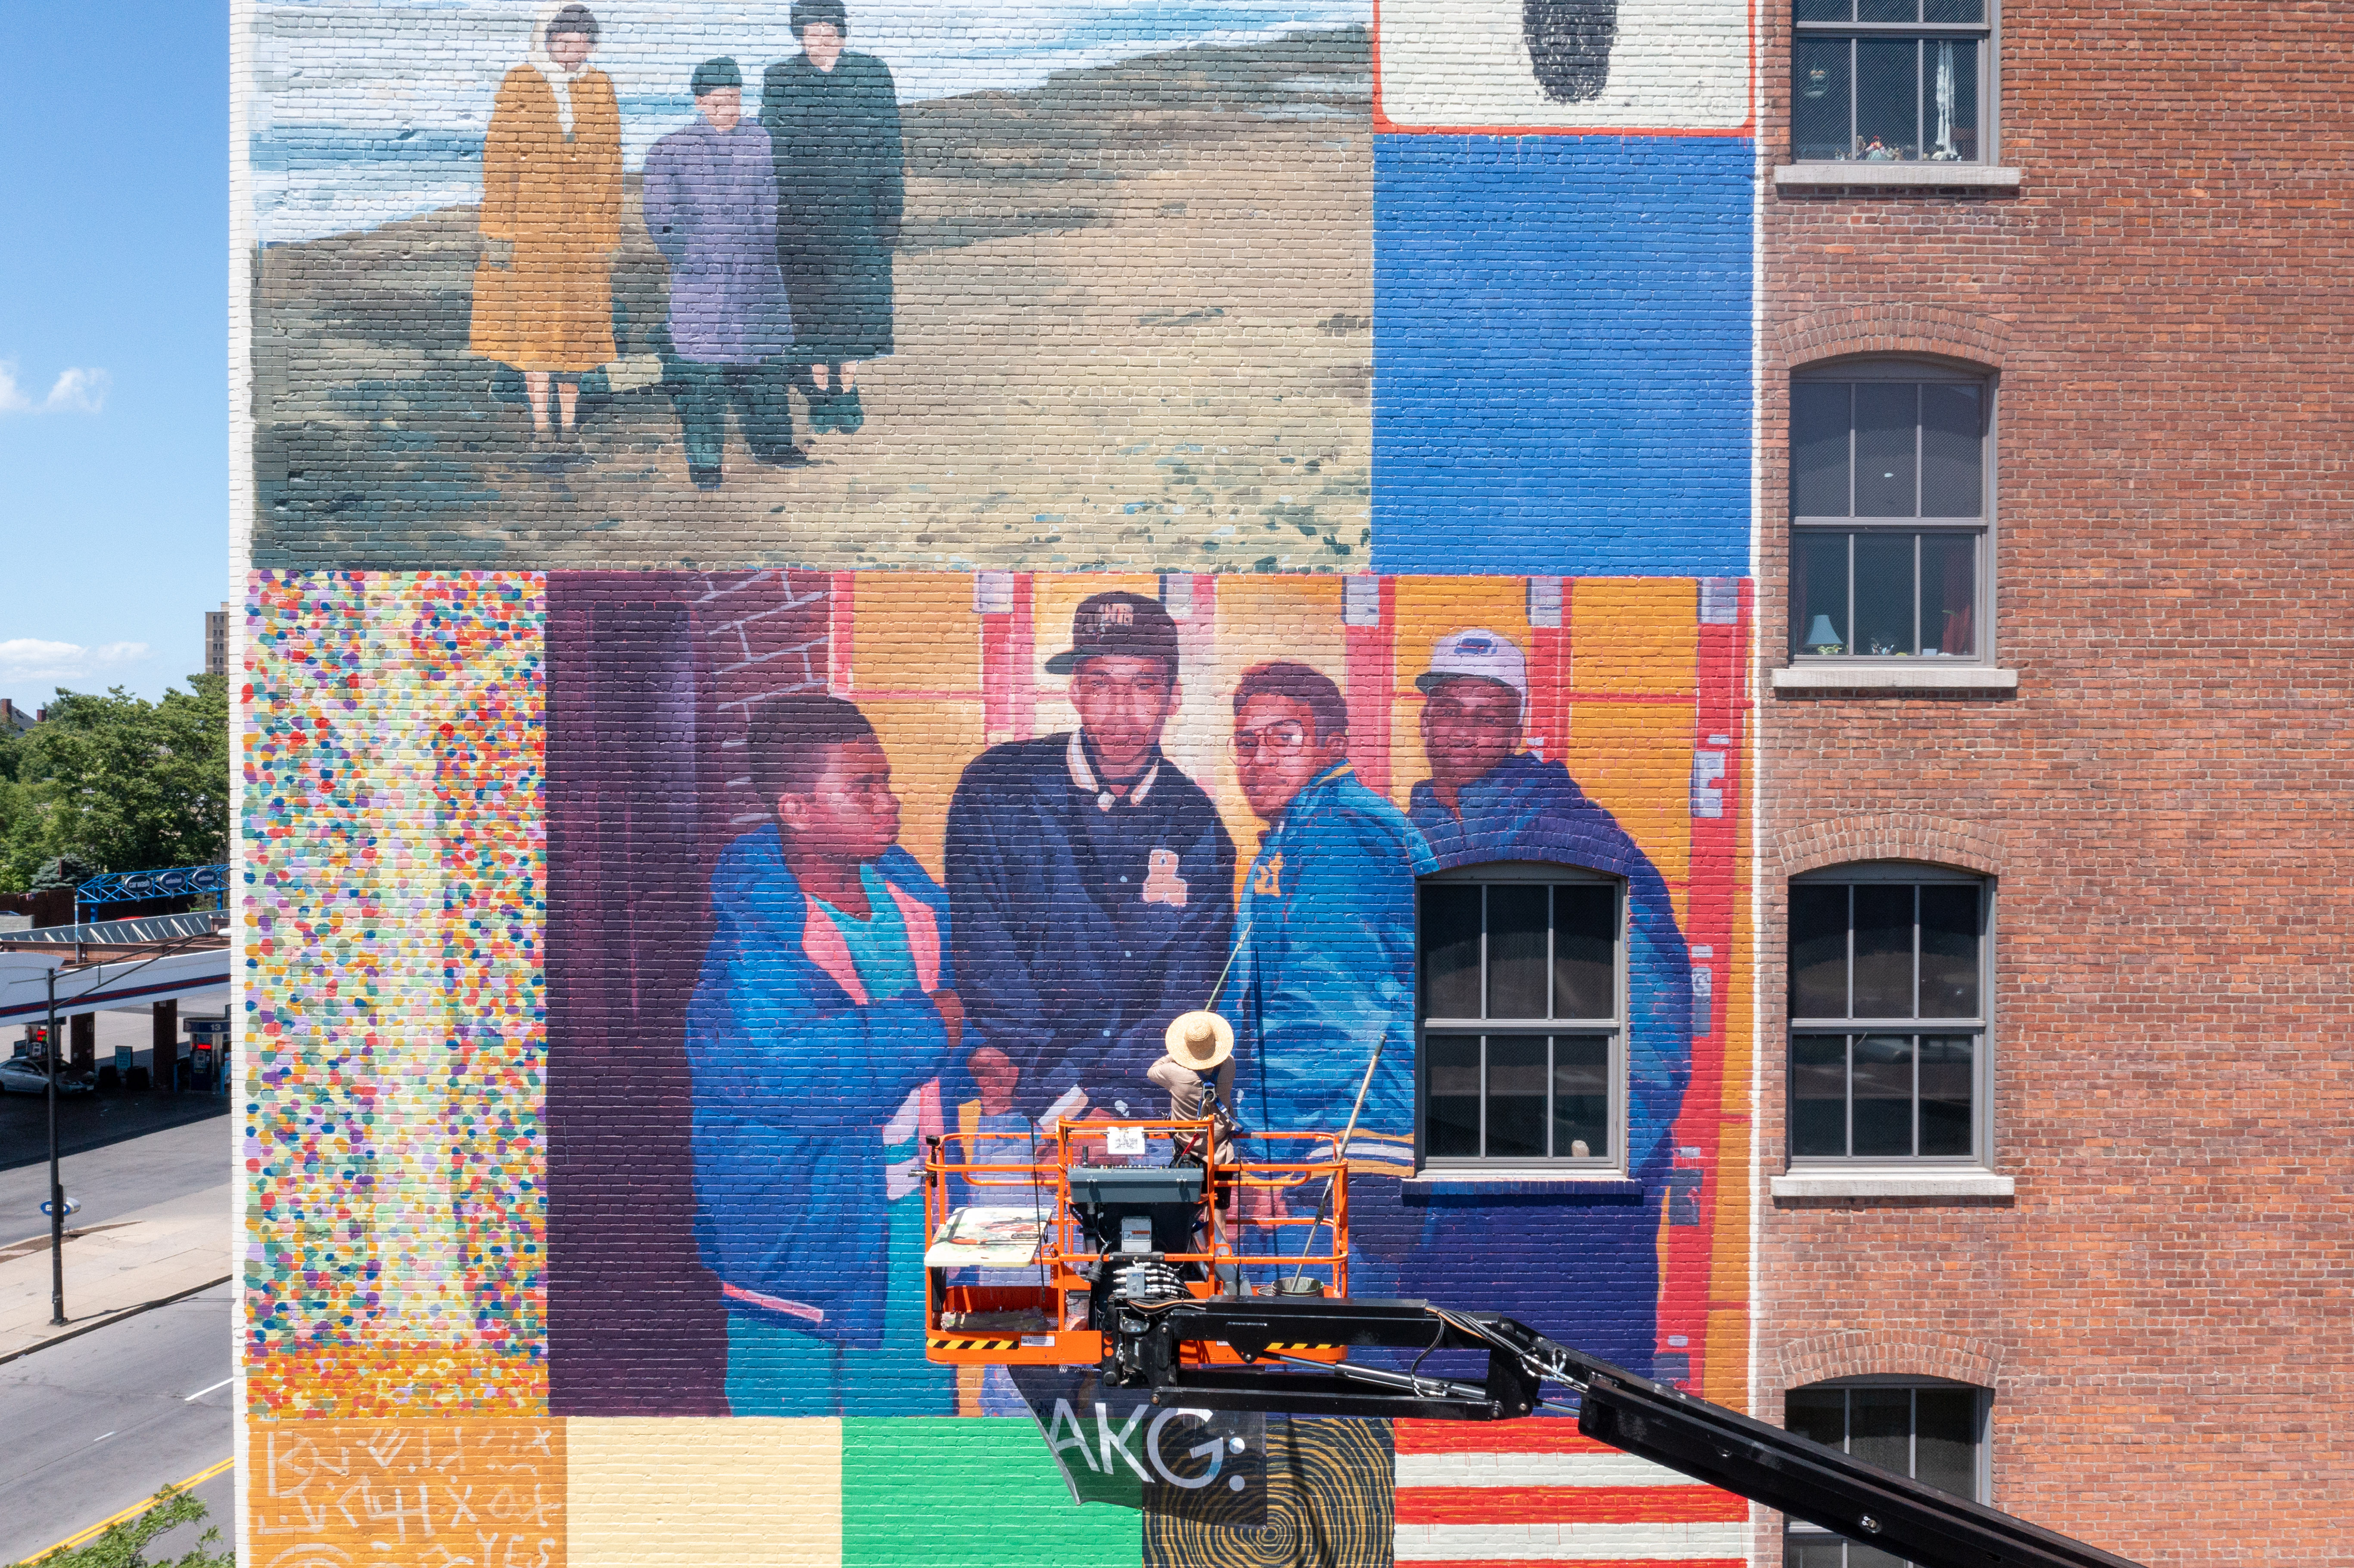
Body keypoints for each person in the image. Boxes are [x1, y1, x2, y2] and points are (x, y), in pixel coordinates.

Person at [684, 694, 1001, 1416]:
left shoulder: (910, 895)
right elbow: (787, 1069)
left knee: (911, 1414)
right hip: (800, 1215)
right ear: (795, 809)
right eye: (862, 787)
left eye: (884, 781)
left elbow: (963, 995)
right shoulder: (753, 929)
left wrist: (978, 1050)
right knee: (786, 1424)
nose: (888, 802)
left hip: (918, 1200)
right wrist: (939, 1024)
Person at [1404, 628, 1693, 1375]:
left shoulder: (1587, 846)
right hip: (1439, 1220)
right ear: (1422, 720)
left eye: (1486, 715)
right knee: (1434, 1420)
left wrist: (1576, 1171)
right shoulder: (1398, 845)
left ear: (1518, 729)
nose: (1462, 731)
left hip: (1565, 1228)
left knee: (1572, 1421)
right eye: (1447, 709)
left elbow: (1656, 1039)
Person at [946, 591, 1236, 1128]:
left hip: (1146, 1099)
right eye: (1101, 683)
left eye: (1144, 685)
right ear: (1076, 690)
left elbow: (1190, 986)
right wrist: (1066, 1101)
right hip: (1024, 1094)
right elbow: (986, 959)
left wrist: (1116, 1106)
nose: (1121, 709)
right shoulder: (997, 786)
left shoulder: (1199, 824)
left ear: (1173, 697)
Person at [1217, 662, 1435, 1304]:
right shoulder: (1302, 832)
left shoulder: (1341, 835)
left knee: (1324, 1363)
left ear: (1334, 743)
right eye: (1248, 742)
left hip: (1342, 1149)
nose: (1261, 759)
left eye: (1284, 738)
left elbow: (1325, 1020)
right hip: (1340, 1147)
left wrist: (1267, 1161)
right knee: (1320, 1363)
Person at [644, 59, 808, 489]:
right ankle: (705, 462)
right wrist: (690, 257)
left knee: (766, 367)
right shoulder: (670, 149)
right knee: (701, 378)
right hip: (703, 280)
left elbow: (775, 197)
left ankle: (773, 444)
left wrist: (768, 245)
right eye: (718, 103)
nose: (728, 109)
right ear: (700, 102)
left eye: (734, 100)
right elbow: (659, 217)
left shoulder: (760, 139)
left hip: (757, 274)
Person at [470, 4, 623, 458]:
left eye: (581, 46)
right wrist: (498, 231)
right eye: (563, 44)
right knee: (534, 334)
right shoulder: (520, 81)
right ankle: (540, 428)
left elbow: (611, 166)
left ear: (592, 47)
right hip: (530, 233)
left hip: (582, 237)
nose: (571, 54)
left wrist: (608, 235)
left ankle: (570, 428)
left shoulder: (600, 87)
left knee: (576, 337)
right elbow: (499, 160)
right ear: (549, 42)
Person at [760, 0, 904, 436]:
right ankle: (822, 396)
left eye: (828, 31)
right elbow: (774, 149)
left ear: (842, 32)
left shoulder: (872, 73)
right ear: (798, 35)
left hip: (861, 215)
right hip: (801, 218)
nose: (820, 41)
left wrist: (890, 215)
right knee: (812, 315)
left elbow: (889, 146)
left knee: (857, 312)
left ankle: (848, 390)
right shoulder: (780, 78)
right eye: (810, 32)